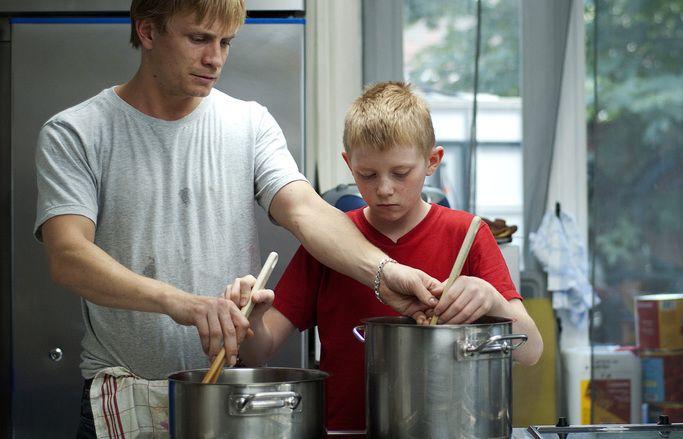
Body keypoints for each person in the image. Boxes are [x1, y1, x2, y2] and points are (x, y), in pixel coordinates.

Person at [33, 2, 442, 437]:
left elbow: (304, 210)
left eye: (225, 42)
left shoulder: (248, 124)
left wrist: (386, 271)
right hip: (124, 392)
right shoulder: (76, 132)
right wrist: (180, 302)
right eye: (199, 39)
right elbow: (69, 255)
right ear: (148, 32)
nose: (216, 58)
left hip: (229, 399)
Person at [227, 81, 544, 433]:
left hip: (449, 429)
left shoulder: (467, 234)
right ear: (349, 165)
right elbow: (259, 352)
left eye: (400, 173)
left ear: (432, 161)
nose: (384, 189)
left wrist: (493, 300)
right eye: (368, 175)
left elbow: (531, 352)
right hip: (345, 430)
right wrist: (251, 322)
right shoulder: (329, 240)